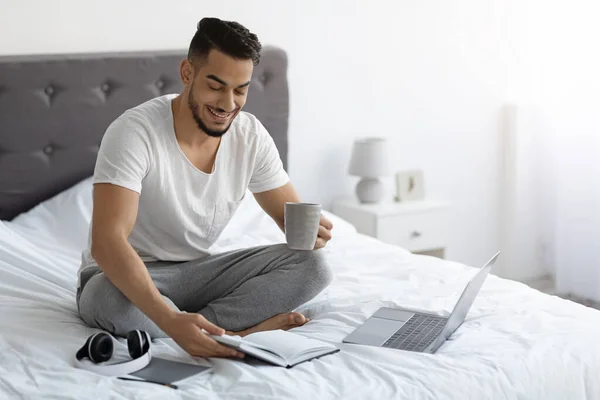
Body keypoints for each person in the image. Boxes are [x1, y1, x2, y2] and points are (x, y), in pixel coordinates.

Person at [76, 17, 333, 359]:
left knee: (314, 266)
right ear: (187, 73)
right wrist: (168, 317)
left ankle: (209, 330)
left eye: (240, 89)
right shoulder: (134, 132)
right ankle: (233, 332)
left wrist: (311, 232)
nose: (228, 104)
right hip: (127, 275)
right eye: (216, 86)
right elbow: (107, 243)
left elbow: (292, 219)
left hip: (199, 273)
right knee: (105, 299)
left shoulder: (250, 136)